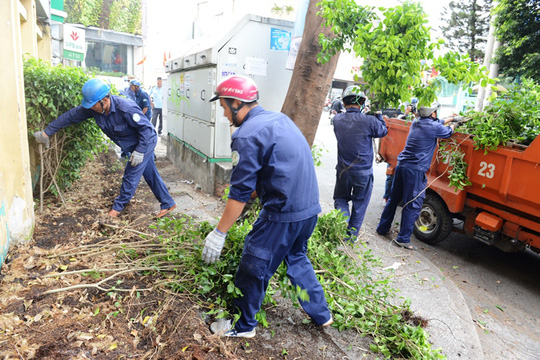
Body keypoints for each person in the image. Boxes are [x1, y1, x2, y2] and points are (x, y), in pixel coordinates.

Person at [202, 75, 332, 338]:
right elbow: (267, 172)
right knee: (296, 258)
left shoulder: (247, 134)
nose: (225, 114)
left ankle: (242, 325)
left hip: (282, 213)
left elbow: (238, 193)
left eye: (225, 107)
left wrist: (219, 233)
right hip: (308, 211)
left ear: (237, 102)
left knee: (254, 264)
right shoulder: (278, 119)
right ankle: (321, 313)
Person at [33, 78, 176, 219]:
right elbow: (70, 116)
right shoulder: (96, 108)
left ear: (105, 100)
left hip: (144, 143)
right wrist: (47, 133)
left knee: (131, 174)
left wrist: (139, 151)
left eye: (93, 105)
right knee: (150, 173)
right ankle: (168, 203)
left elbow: (148, 131)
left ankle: (116, 209)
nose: (90, 108)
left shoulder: (125, 108)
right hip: (132, 145)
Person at [376, 102, 458, 250]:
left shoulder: (416, 122)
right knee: (413, 203)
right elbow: (448, 132)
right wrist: (455, 124)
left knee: (394, 199)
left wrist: (451, 118)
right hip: (415, 170)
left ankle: (382, 228)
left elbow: (439, 122)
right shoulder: (434, 127)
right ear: (432, 114)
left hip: (402, 166)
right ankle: (403, 238)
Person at [332, 86, 388, 242]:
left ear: (343, 103)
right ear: (362, 102)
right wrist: (377, 115)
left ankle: (341, 226)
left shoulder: (337, 120)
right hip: (363, 173)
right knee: (360, 204)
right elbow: (383, 131)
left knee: (341, 199)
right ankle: (350, 237)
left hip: (343, 170)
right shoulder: (369, 121)